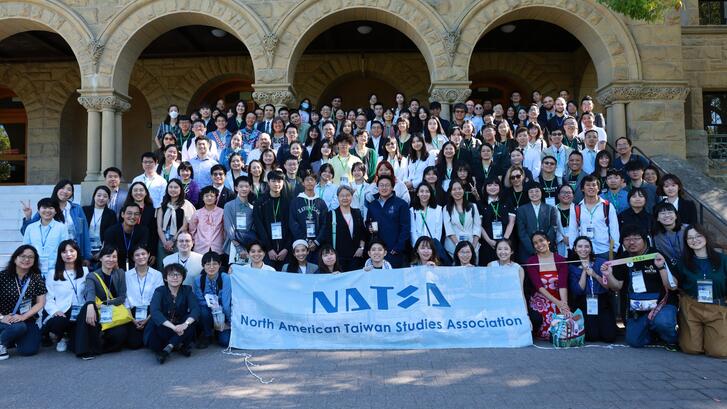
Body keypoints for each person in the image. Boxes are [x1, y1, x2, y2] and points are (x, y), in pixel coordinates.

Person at [601, 225, 678, 349]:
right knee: (634, 341)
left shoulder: (657, 255)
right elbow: (616, 287)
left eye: (636, 238)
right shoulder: (622, 259)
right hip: (637, 309)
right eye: (627, 239)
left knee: (663, 322)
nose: (631, 242)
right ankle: (653, 333)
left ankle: (671, 339)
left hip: (661, 305)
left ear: (645, 239)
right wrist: (608, 274)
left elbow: (673, 286)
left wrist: (661, 267)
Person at [675, 224, 727, 358]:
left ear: (706, 237)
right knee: (690, 349)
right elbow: (676, 285)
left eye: (698, 236)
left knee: (719, 352)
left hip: (717, 307)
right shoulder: (683, 261)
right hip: (691, 306)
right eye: (690, 238)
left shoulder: (723, 260)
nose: (694, 240)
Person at [74, 246, 129, 359]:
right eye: (108, 256)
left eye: (114, 257)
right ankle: (84, 350)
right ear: (101, 258)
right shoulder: (92, 276)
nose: (111, 259)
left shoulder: (120, 273)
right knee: (87, 308)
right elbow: (90, 293)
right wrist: (90, 305)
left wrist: (105, 303)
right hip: (97, 312)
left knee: (120, 335)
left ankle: (98, 348)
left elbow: (122, 297)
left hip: (112, 312)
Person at [21, 180, 92, 262]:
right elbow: (27, 232)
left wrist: (87, 256)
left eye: (69, 189)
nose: (65, 191)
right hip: (54, 254)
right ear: (56, 189)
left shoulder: (77, 209)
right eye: (62, 188)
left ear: (72, 193)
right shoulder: (48, 208)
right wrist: (28, 217)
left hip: (73, 252)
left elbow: (85, 232)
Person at [0, 245, 46, 359]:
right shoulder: (3, 276)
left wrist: (23, 317)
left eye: (31, 257)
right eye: (23, 256)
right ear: (15, 258)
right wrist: (1, 317)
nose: (26, 260)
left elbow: (41, 302)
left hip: (26, 320)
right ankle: (1, 343)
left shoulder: (36, 278)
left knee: (29, 350)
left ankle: (11, 339)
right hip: (4, 319)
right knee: (18, 328)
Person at [148, 263, 199, 364]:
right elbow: (154, 311)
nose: (175, 277)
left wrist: (185, 324)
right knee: (156, 322)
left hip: (180, 325)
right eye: (171, 275)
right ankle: (178, 345)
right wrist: (174, 327)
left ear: (182, 278)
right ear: (166, 278)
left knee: (191, 321)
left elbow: (195, 309)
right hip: (165, 326)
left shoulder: (187, 290)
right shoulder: (159, 291)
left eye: (178, 275)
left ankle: (168, 349)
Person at [568, 236, 616, 342]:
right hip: (584, 301)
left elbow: (608, 286)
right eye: (580, 246)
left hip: (602, 299)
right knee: (591, 337)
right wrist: (584, 271)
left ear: (591, 248)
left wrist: (594, 274)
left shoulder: (601, 262)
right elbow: (578, 290)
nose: (583, 249)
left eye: (586, 246)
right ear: (575, 249)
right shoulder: (572, 266)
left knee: (609, 337)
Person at [43, 240, 86, 353]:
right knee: (58, 322)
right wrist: (55, 311)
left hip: (80, 309)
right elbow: (48, 297)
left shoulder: (85, 271)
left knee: (77, 345)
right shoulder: (52, 273)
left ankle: (69, 336)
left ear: (77, 252)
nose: (68, 254)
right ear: (60, 255)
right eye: (64, 252)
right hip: (62, 310)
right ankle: (61, 337)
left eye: (71, 251)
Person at [525, 232, 570, 339]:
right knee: (546, 332)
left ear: (548, 241)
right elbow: (539, 287)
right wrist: (558, 303)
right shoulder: (532, 261)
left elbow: (563, 285)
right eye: (535, 243)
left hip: (559, 298)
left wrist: (564, 304)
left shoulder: (560, 259)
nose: (539, 244)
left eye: (541, 240)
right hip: (540, 300)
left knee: (563, 328)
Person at [567, 175, 620, 259]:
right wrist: (573, 249)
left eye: (594, 185)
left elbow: (614, 229)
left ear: (598, 188)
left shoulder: (607, 206)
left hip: (604, 250)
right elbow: (573, 230)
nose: (591, 187)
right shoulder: (576, 208)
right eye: (588, 185)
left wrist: (614, 250)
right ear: (582, 189)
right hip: (583, 252)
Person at [366, 175, 410, 268]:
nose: (384, 188)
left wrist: (398, 247)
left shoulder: (401, 204)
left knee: (394, 279)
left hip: (394, 250)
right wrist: (369, 227)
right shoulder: (373, 204)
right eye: (381, 185)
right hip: (377, 252)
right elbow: (368, 222)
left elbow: (405, 228)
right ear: (377, 188)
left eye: (387, 185)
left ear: (392, 187)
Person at [124, 245, 163, 349]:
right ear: (133, 258)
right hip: (132, 312)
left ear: (148, 255)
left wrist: (147, 319)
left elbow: (158, 299)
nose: (141, 257)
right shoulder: (126, 275)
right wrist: (132, 319)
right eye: (137, 255)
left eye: (143, 254)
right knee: (134, 344)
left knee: (151, 340)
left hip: (152, 311)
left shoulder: (157, 275)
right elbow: (125, 299)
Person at [321, 185, 368, 271]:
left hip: (356, 256)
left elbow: (363, 233)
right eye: (342, 196)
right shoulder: (331, 215)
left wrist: (361, 248)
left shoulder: (357, 213)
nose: (345, 198)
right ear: (338, 197)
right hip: (339, 258)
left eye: (348, 195)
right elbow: (327, 237)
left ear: (351, 196)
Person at [253, 170, 291, 270]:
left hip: (286, 251)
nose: (276, 184)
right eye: (273, 181)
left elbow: (292, 227)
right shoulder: (260, 202)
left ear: (283, 182)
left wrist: (286, 248)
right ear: (268, 182)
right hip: (267, 251)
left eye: (279, 181)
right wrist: (268, 248)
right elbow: (259, 226)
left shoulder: (289, 202)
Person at [192, 251, 231, 348]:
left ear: (220, 264)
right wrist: (213, 306)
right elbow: (199, 300)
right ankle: (207, 334)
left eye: (215, 264)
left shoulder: (225, 278)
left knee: (225, 342)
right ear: (203, 265)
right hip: (208, 312)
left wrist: (229, 322)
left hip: (223, 314)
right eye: (208, 264)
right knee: (203, 310)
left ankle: (218, 331)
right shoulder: (198, 280)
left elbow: (226, 304)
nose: (211, 267)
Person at [22, 198, 68, 277]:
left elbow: (64, 248)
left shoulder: (61, 227)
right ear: (39, 211)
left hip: (54, 269)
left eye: (51, 208)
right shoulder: (30, 227)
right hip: (34, 269)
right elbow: (26, 248)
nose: (47, 211)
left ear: (56, 211)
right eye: (44, 208)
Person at [516, 183, 560, 262]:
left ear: (541, 192)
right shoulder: (521, 210)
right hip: (527, 250)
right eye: (531, 192)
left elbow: (552, 229)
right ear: (527, 194)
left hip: (547, 249)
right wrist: (532, 249)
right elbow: (521, 232)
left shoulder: (551, 209)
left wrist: (544, 246)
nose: (534, 194)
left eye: (537, 191)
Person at [103, 203, 150, 270]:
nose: (133, 216)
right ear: (122, 214)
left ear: (139, 216)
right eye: (129, 213)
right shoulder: (111, 231)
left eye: (136, 214)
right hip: (115, 265)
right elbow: (109, 252)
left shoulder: (143, 231)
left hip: (135, 264)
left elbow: (141, 250)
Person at [289, 171, 328, 254]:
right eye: (307, 180)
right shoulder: (296, 201)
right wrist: (305, 240)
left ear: (316, 182)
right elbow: (293, 223)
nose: (309, 182)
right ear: (303, 183)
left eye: (312, 180)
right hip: (300, 245)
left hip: (318, 245)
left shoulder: (321, 202)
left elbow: (325, 223)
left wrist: (317, 241)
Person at [410, 183, 447, 264]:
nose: (424, 194)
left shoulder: (437, 209)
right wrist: (419, 248)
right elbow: (413, 231)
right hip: (418, 248)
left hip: (432, 248)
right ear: (417, 193)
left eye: (427, 191)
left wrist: (431, 247)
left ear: (431, 193)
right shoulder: (412, 210)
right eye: (421, 191)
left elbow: (438, 230)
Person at [443, 180, 481, 260]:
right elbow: (449, 229)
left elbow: (477, 227)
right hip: (453, 248)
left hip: (472, 247)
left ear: (463, 190)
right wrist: (459, 247)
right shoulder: (446, 208)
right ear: (450, 192)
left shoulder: (473, 206)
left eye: (459, 189)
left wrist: (472, 247)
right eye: (454, 189)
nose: (457, 191)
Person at [156, 179, 189, 267]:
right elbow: (159, 226)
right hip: (163, 240)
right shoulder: (162, 205)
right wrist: (165, 242)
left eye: (176, 187)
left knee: (178, 267)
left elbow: (184, 226)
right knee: (162, 266)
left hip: (179, 240)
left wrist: (173, 240)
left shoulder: (186, 205)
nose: (173, 189)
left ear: (180, 189)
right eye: (170, 187)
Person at [224, 176, 254, 265]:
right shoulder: (229, 205)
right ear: (236, 188)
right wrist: (238, 247)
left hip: (248, 244)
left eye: (246, 186)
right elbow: (228, 227)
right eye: (241, 186)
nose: (244, 189)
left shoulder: (252, 208)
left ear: (250, 188)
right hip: (233, 244)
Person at [189, 186, 225, 257]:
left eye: (212, 196)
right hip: (200, 248)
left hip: (218, 247)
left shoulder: (222, 212)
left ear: (216, 198)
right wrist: (194, 242)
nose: (209, 198)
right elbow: (192, 230)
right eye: (206, 196)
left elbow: (225, 230)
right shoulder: (197, 213)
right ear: (202, 198)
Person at [83, 186, 117, 257]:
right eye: (99, 195)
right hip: (85, 249)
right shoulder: (85, 210)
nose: (101, 198)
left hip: (102, 250)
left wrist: (102, 252)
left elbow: (112, 235)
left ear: (108, 199)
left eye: (105, 196)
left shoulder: (111, 214)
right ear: (94, 196)